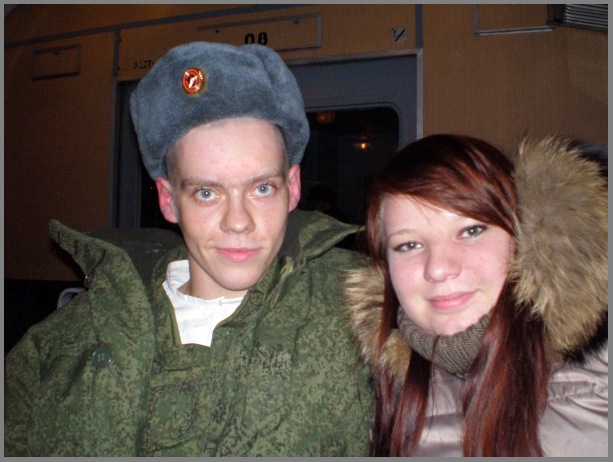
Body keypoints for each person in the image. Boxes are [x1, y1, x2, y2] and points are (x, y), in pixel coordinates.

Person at [4, 41, 374, 456]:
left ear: (292, 186)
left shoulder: (358, 303)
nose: (238, 221)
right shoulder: (64, 344)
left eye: (261, 188)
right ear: (168, 200)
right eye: (207, 193)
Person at [344, 134, 608, 456]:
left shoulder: (601, 375)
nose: (438, 268)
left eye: (471, 231)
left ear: (525, 239)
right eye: (409, 245)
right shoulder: (369, 396)